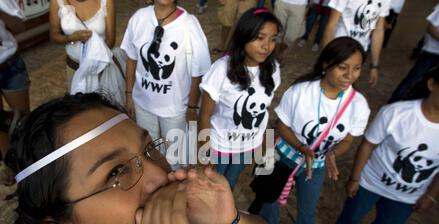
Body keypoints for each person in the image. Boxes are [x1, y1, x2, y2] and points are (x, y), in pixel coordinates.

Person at [3, 92, 277, 224]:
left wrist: (228, 222)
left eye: (149, 149)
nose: (159, 176)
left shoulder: (184, 222)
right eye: (116, 172)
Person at [249, 37, 370, 224]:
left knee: (308, 208)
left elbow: (349, 139)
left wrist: (333, 153)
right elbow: (281, 126)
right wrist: (302, 147)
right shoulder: (301, 92)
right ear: (326, 64)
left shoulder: (359, 105)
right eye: (343, 67)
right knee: (269, 200)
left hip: (316, 165)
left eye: (356, 69)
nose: (350, 75)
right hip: (282, 155)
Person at [326, 64, 439, 224]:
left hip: (407, 195)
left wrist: (431, 194)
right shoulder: (397, 113)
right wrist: (355, 178)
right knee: (351, 216)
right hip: (371, 181)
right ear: (432, 84)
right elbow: (368, 145)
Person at [198, 8, 282, 190]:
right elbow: (204, 116)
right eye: (260, 38)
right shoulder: (221, 70)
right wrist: (207, 153)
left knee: (229, 186)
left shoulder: (273, 69)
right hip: (219, 147)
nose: (267, 46)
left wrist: (259, 143)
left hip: (247, 147)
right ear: (244, 36)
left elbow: (263, 110)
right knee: (210, 189)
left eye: (273, 39)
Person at [121, 0, 210, 170]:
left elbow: (197, 73)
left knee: (174, 158)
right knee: (150, 150)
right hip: (143, 104)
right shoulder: (139, 18)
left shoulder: (189, 26)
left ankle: (174, 188)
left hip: (175, 109)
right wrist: (128, 94)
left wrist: (191, 107)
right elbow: (132, 59)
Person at [322, 0, 391, 87]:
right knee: (328, 86)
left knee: (346, 88)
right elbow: (331, 25)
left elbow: (378, 31)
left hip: (359, 54)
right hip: (339, 51)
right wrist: (327, 58)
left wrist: (374, 66)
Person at [49, 0, 116, 90]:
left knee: (102, 102)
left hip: (100, 67)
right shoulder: (57, 2)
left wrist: (92, 60)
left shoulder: (106, 1)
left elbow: (111, 40)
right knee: (78, 102)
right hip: (73, 66)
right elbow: (54, 35)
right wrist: (71, 38)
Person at [0, 1, 30, 186]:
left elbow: (19, 26)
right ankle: (9, 164)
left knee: (22, 123)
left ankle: (28, 164)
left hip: (9, 64)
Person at [389, 3, 439, 103]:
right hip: (432, 52)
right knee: (412, 79)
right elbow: (430, 28)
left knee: (430, 86)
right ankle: (393, 103)